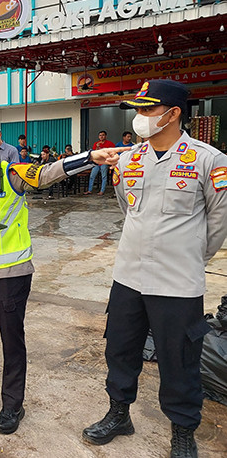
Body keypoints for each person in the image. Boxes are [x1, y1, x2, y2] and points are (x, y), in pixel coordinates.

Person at [0, 117, 126, 435]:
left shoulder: (11, 173)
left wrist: (89, 157)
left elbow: (47, 174)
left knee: (12, 339)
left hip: (11, 273)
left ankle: (12, 404)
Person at [82, 80, 227, 458]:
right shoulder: (128, 159)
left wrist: (190, 257)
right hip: (129, 276)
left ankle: (182, 430)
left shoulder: (208, 159)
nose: (140, 117)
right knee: (121, 348)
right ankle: (118, 413)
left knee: (179, 358)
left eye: (148, 109)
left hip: (177, 282)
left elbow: (218, 223)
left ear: (174, 113)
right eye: (140, 109)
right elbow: (128, 209)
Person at [84, 131, 115, 195]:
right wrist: (97, 147)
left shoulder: (110, 144)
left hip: (105, 162)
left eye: (103, 135)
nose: (101, 136)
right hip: (97, 163)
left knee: (104, 176)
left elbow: (113, 152)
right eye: (100, 135)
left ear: (106, 136)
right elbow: (94, 154)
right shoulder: (96, 144)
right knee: (92, 176)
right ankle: (89, 190)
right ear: (98, 136)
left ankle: (102, 191)